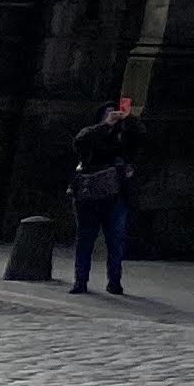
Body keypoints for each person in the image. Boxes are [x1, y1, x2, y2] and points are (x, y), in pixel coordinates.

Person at [67, 95, 142, 296]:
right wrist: (105, 126)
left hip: (115, 196)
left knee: (116, 241)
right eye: (109, 115)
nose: (114, 118)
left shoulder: (124, 136)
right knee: (85, 238)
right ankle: (80, 280)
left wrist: (130, 119)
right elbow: (80, 142)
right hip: (89, 195)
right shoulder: (92, 134)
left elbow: (141, 139)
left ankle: (114, 281)